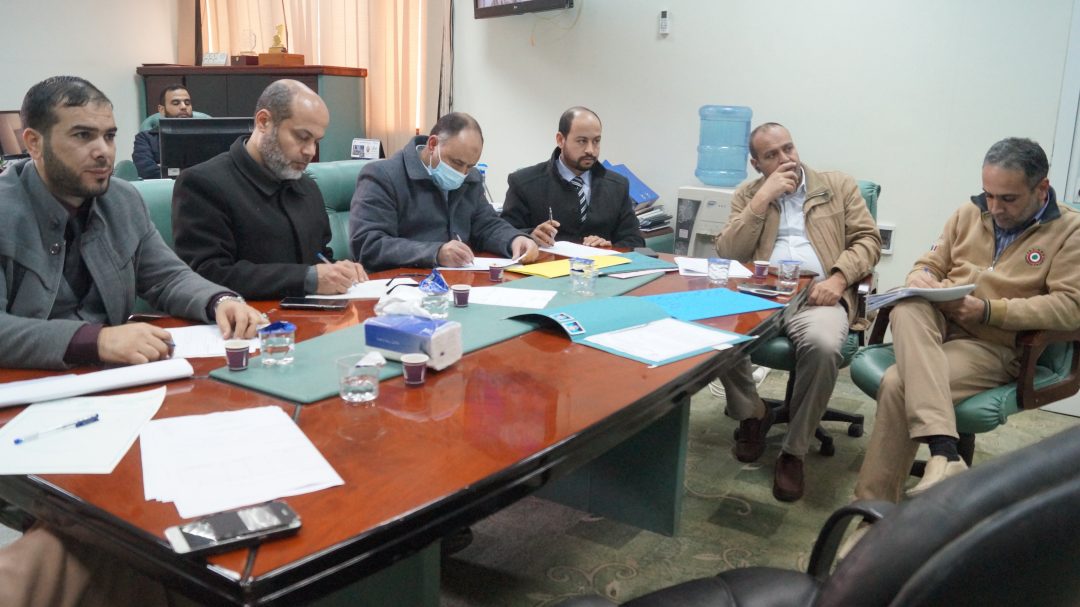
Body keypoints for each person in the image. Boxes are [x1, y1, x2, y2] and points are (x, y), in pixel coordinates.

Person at [0, 75, 264, 605]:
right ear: (33, 143)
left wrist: (219, 300)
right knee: (114, 526)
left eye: (109, 135)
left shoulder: (122, 200)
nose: (103, 151)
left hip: (118, 396)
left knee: (205, 478)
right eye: (82, 135)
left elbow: (166, 276)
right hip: (26, 404)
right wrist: (95, 340)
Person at [853, 137, 1080, 505]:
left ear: (1042, 189)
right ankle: (945, 452)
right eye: (989, 195)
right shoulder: (968, 213)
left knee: (897, 384)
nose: (995, 207)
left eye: (1008, 198)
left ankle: (871, 512)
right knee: (908, 305)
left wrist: (988, 310)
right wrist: (921, 277)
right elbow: (929, 263)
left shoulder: (1071, 231)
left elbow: (1070, 307)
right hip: (937, 324)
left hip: (992, 343)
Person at [714, 122, 880, 502]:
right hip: (762, 293)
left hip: (818, 293)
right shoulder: (748, 195)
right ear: (757, 164)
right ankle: (753, 413)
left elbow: (868, 241)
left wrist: (839, 278)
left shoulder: (836, 186)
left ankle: (794, 450)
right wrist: (761, 200)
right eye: (771, 155)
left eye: (788, 148)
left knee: (823, 346)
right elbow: (728, 252)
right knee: (716, 332)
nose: (785, 158)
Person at [172, 79, 366, 299]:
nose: (310, 151)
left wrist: (338, 271)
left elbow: (319, 257)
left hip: (312, 313)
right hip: (246, 315)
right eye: (302, 137)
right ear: (263, 122)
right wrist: (306, 278)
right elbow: (207, 274)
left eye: (316, 141)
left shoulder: (307, 187)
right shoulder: (203, 183)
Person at [349, 112, 539, 271]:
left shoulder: (470, 179)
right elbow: (369, 244)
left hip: (457, 280)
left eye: (469, 166)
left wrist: (514, 239)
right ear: (433, 144)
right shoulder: (383, 176)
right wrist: (436, 253)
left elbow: (486, 224)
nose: (462, 173)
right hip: (401, 284)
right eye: (457, 162)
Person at [501, 106, 644, 249]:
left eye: (596, 141)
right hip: (548, 261)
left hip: (602, 263)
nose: (590, 150)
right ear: (560, 140)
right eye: (582, 141)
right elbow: (504, 234)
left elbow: (635, 241)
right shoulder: (524, 183)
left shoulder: (617, 185)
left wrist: (609, 247)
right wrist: (530, 235)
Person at [132, 84, 193, 180]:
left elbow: (213, 169)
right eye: (176, 103)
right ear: (162, 110)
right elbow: (146, 171)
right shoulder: (145, 138)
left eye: (187, 103)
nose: (183, 107)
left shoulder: (205, 136)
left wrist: (166, 170)